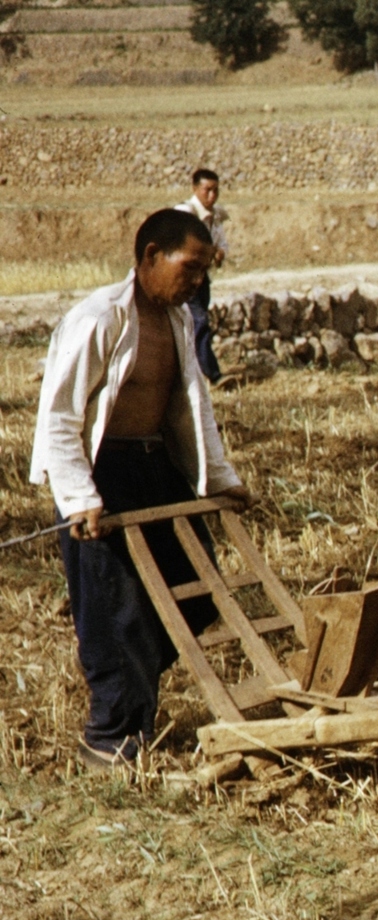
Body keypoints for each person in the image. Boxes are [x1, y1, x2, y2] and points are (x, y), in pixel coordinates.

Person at [30, 208, 250, 769]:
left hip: (155, 467)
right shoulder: (100, 318)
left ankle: (135, 701)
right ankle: (110, 738)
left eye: (204, 270)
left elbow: (193, 412)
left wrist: (221, 482)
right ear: (151, 255)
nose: (198, 280)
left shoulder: (177, 320)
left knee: (196, 591)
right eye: (190, 267)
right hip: (102, 475)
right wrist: (78, 498)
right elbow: (58, 416)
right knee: (115, 608)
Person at [176, 168, 227, 383]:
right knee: (199, 321)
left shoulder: (215, 217)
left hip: (202, 278)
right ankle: (213, 374)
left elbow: (221, 245)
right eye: (207, 190)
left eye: (216, 191)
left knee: (194, 324)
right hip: (185, 278)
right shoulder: (184, 214)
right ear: (195, 189)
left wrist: (219, 253)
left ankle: (192, 373)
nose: (212, 196)